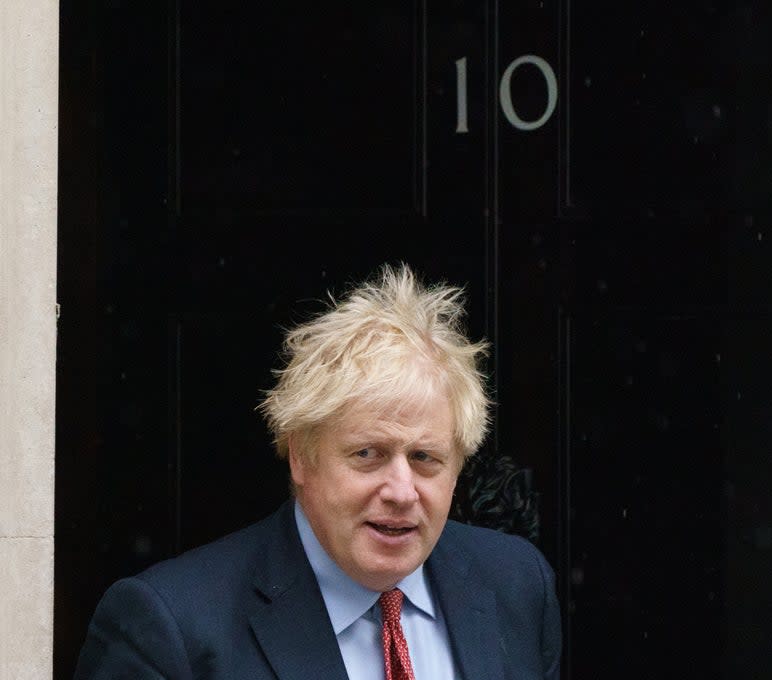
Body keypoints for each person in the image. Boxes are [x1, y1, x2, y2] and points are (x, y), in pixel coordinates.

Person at [74, 264, 562, 680]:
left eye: (424, 458)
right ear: (300, 457)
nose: (401, 491)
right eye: (368, 454)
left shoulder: (517, 585)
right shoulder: (169, 628)